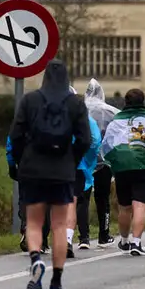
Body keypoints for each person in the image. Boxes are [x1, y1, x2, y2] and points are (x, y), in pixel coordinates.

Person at [9, 59, 92, 289]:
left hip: (33, 169)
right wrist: (71, 160)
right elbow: (85, 139)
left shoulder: (30, 100)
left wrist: (19, 161)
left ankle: (36, 258)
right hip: (62, 171)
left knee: (34, 222)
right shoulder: (76, 103)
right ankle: (56, 282)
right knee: (58, 225)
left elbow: (15, 135)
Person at [102, 88, 145, 256]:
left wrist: (112, 160)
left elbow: (106, 144)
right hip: (143, 165)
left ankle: (124, 241)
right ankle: (136, 243)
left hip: (122, 167)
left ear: (126, 102)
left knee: (124, 207)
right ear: (143, 101)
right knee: (139, 205)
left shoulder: (117, 121)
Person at [79, 78, 120, 249]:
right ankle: (104, 234)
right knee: (103, 198)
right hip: (104, 162)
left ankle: (84, 238)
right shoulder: (109, 111)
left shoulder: (80, 110)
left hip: (84, 160)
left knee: (82, 199)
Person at [64, 86, 103, 259]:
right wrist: (85, 158)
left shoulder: (51, 116)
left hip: (52, 166)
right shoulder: (86, 120)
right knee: (72, 203)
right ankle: (67, 239)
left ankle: (45, 240)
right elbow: (94, 141)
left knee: (54, 203)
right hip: (78, 166)